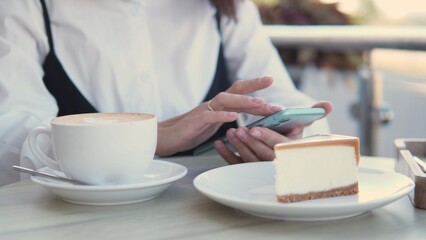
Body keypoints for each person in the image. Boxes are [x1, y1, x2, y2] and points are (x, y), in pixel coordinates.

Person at [0, 0, 332, 186]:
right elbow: (12, 134)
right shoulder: (27, 6)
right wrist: (145, 138)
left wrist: (294, 141)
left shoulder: (225, 7)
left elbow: (284, 99)